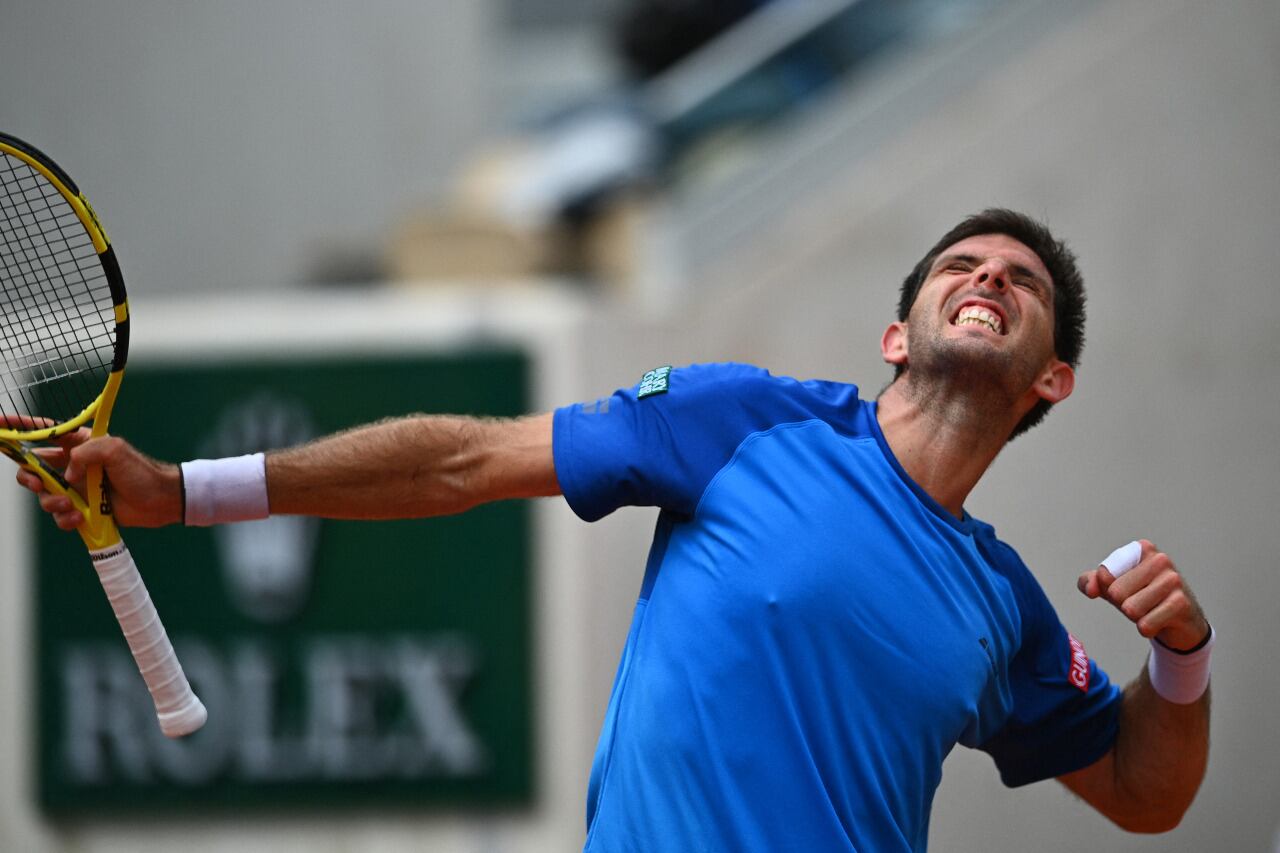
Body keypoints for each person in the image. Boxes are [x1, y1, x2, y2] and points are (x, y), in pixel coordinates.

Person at [15, 209, 1212, 851]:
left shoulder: (1000, 604)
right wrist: (184, 491)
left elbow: (1137, 791)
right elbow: (464, 461)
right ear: (896, 334)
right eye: (961, 262)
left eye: (1020, 281)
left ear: (1049, 379)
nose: (988, 277)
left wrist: (1178, 661)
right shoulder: (741, 421)